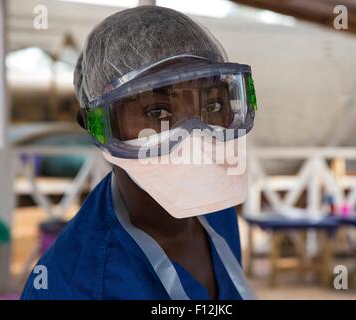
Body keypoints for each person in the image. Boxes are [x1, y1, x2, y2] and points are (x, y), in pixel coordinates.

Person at [21, 5, 257, 300]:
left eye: (212, 106)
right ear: (97, 128)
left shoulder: (215, 207)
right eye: (157, 111)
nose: (195, 136)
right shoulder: (69, 285)